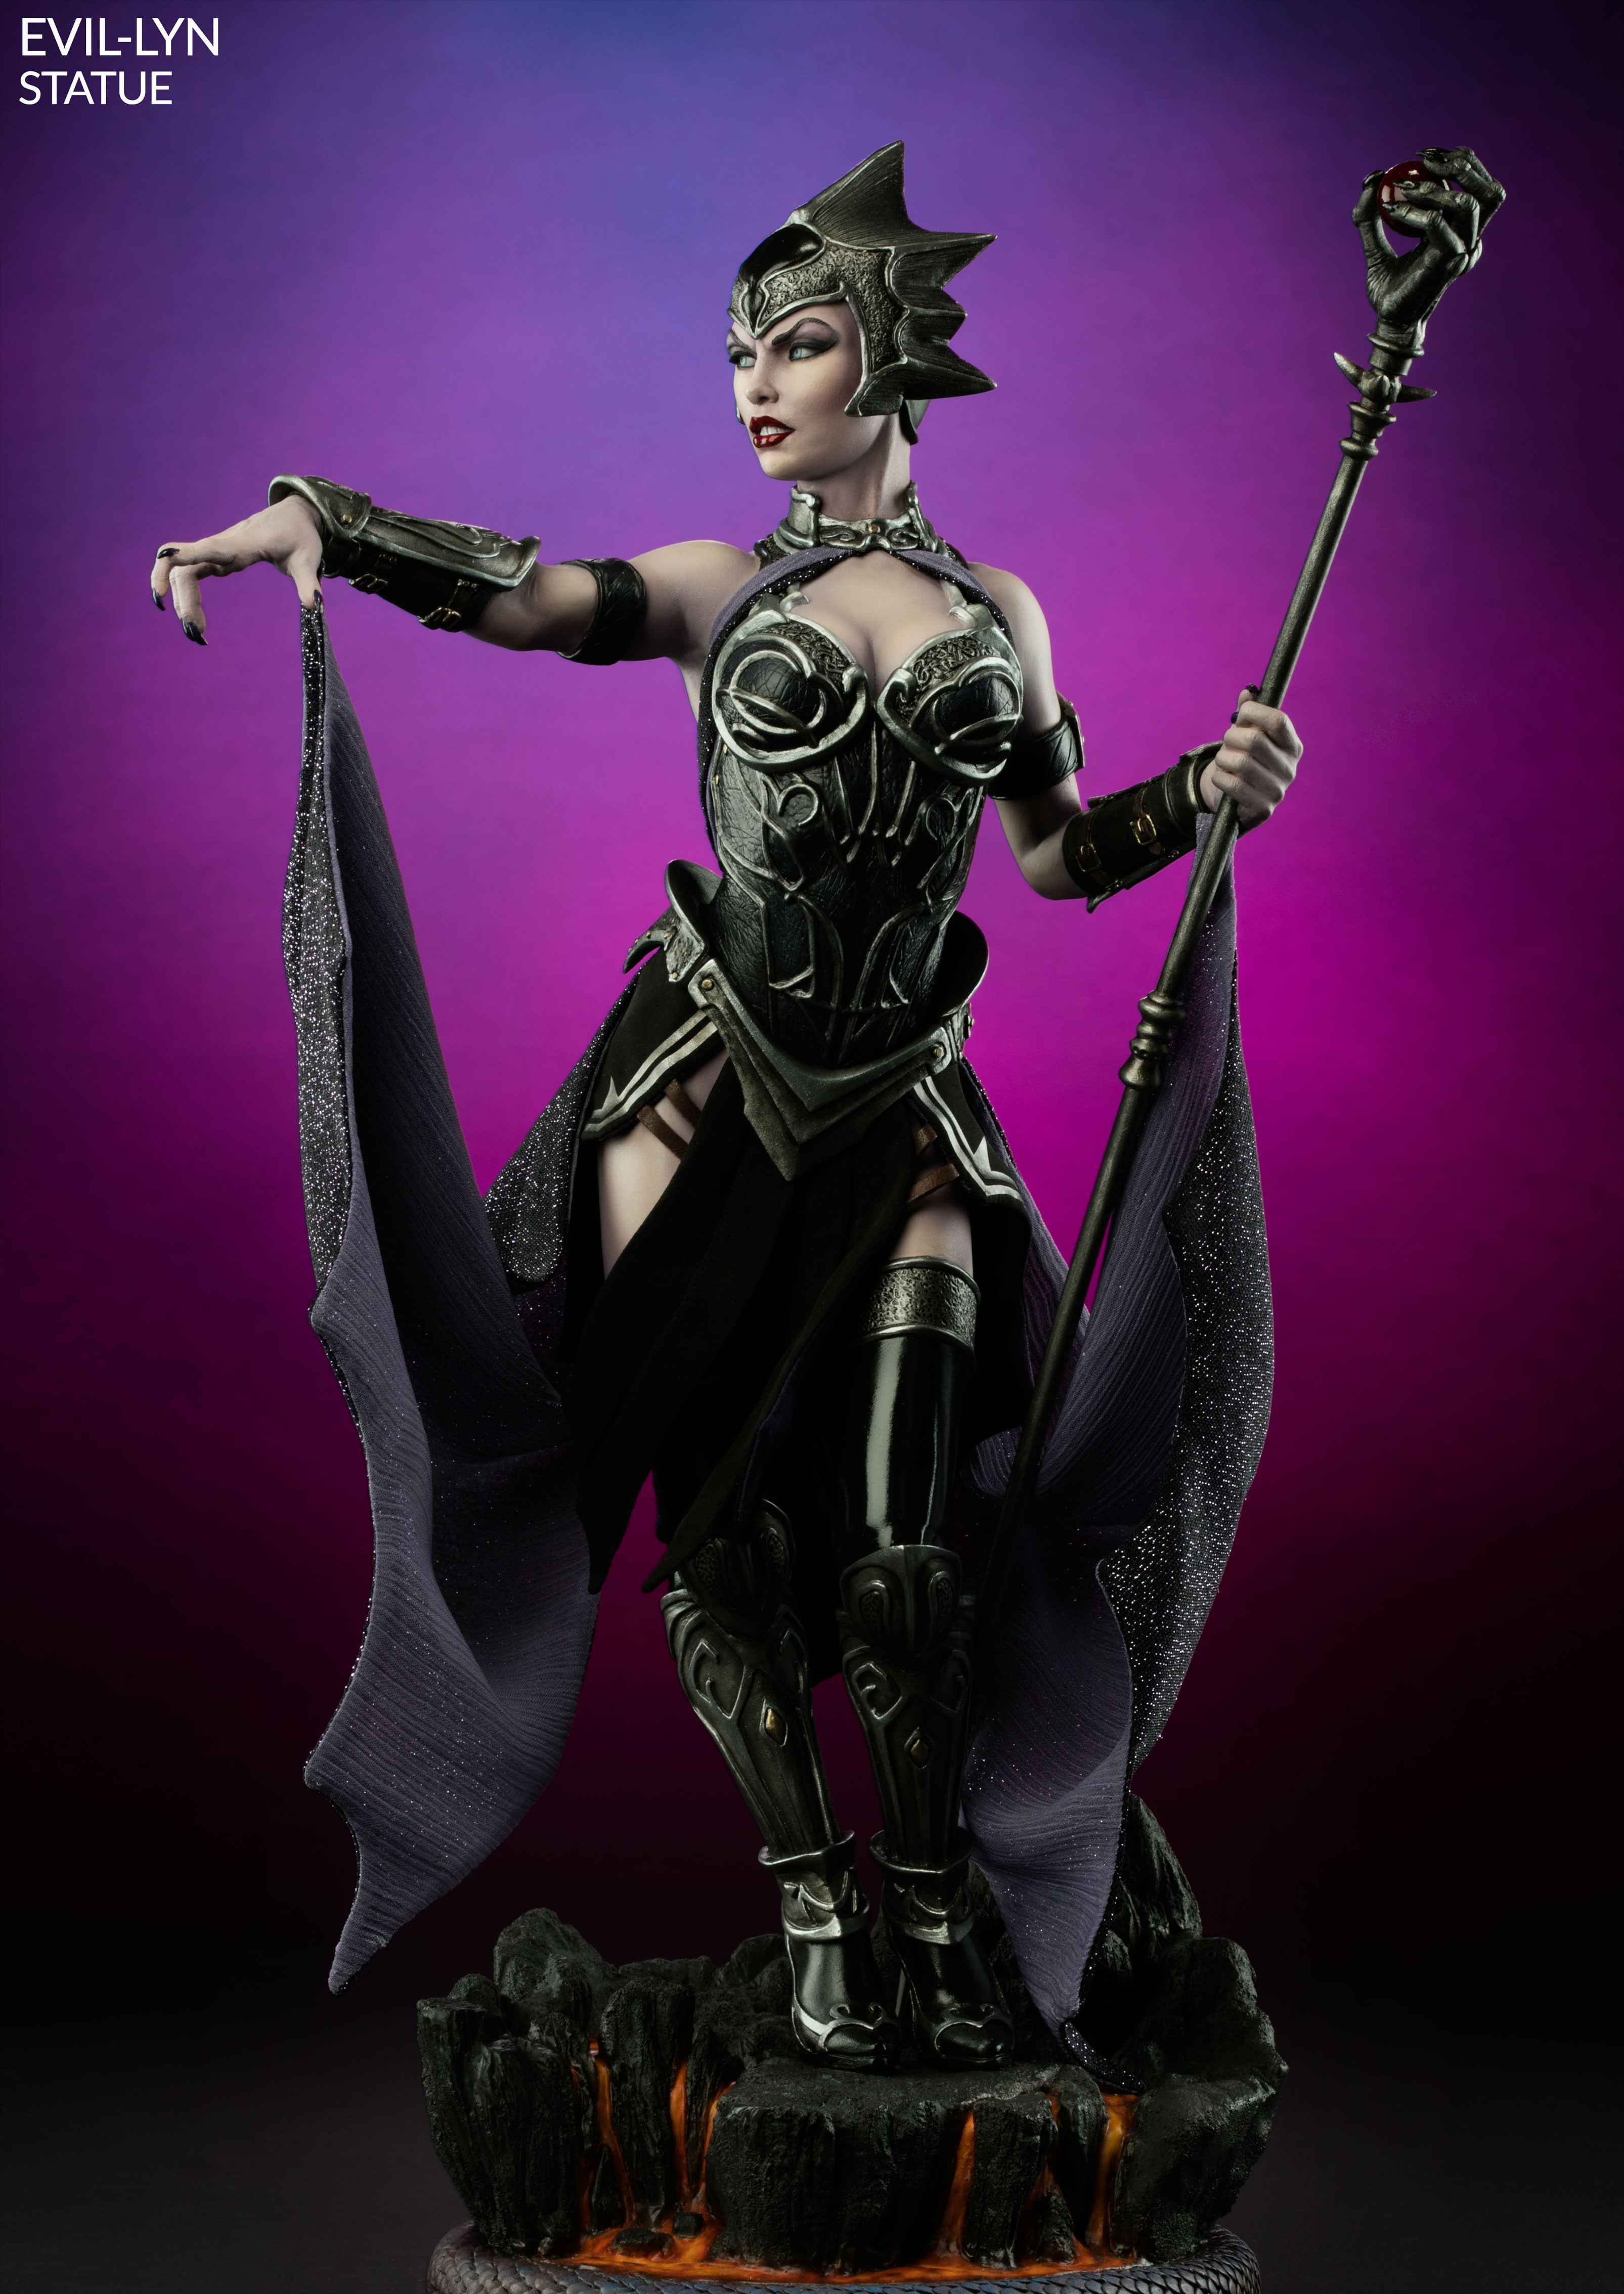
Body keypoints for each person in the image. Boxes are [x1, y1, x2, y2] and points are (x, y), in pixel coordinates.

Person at [149, 145, 1300, 2075]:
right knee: (727, 1543)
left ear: (891, 362)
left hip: (906, 1109)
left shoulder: (1001, 617)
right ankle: (816, 1894)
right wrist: (316, 522)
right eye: (741, 354)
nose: (758, 386)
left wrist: (1206, 793)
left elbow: (1051, 856)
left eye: (800, 344)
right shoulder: (713, 587)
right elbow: (530, 599)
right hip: (692, 1105)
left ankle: (932, 1892)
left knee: (907, 1548)